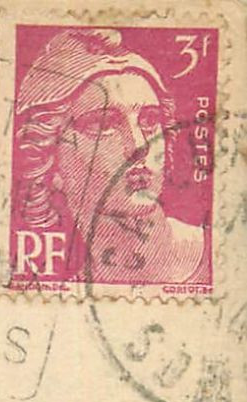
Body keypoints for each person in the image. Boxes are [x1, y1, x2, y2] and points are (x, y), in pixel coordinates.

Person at [12, 28, 207, 285]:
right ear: (49, 157)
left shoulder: (219, 257)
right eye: (104, 125)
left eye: (149, 120)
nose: (139, 146)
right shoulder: (57, 286)